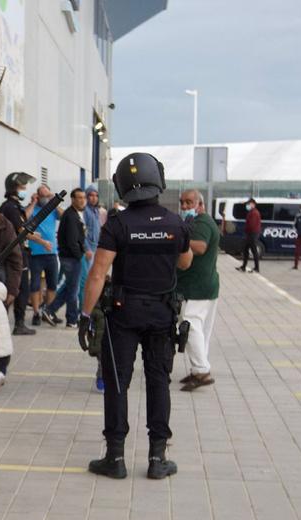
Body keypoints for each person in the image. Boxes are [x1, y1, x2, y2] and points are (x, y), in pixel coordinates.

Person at [79, 152, 192, 480]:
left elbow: (98, 273)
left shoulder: (118, 224)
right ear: (159, 180)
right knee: (159, 382)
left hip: (123, 314)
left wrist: (86, 315)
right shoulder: (175, 223)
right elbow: (185, 263)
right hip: (161, 313)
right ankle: (158, 458)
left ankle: (115, 457)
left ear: (122, 186)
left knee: (118, 382)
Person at [176, 189, 220, 392]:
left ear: (200, 204)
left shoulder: (201, 223)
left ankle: (202, 371)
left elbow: (200, 247)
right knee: (201, 331)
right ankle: (198, 369)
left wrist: (175, 238)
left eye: (189, 202)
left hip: (197, 288)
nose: (184, 206)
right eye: (182, 202)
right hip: (204, 286)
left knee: (190, 325)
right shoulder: (197, 222)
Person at [0, 171, 38, 335]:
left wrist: (33, 203)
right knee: (19, 289)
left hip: (18, 253)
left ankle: (9, 323)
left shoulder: (13, 206)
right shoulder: (10, 207)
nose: (24, 190)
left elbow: (23, 217)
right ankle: (16, 324)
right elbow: (21, 229)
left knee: (19, 289)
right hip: (16, 255)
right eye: (22, 187)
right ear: (13, 188)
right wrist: (41, 241)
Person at [45, 188, 87, 327]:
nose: (82, 200)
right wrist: (80, 255)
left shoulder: (74, 214)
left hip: (70, 257)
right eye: (79, 198)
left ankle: (49, 310)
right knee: (73, 291)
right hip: (71, 258)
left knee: (69, 288)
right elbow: (72, 241)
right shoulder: (71, 216)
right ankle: (72, 320)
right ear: (73, 199)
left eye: (83, 198)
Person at [27, 185, 62, 327]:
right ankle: (36, 313)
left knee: (52, 285)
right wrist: (33, 202)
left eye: (46, 196)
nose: (44, 198)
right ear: (37, 195)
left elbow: (65, 217)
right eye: (42, 195)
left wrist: (55, 200)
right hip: (35, 253)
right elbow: (24, 217)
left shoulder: (52, 210)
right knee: (35, 285)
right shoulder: (33, 208)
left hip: (51, 253)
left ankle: (48, 311)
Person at [79, 184, 105, 307]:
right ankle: (82, 309)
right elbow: (82, 232)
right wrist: (87, 249)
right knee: (83, 281)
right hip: (87, 251)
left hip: (94, 249)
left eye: (96, 195)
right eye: (91, 195)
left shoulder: (96, 211)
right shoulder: (85, 211)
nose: (93, 198)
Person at [238, 198, 261, 273]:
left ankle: (256, 268)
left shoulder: (254, 213)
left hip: (252, 234)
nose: (247, 205)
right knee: (246, 250)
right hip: (250, 234)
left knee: (254, 251)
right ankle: (244, 266)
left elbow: (252, 225)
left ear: (253, 204)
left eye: (249, 204)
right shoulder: (251, 212)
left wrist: (246, 230)